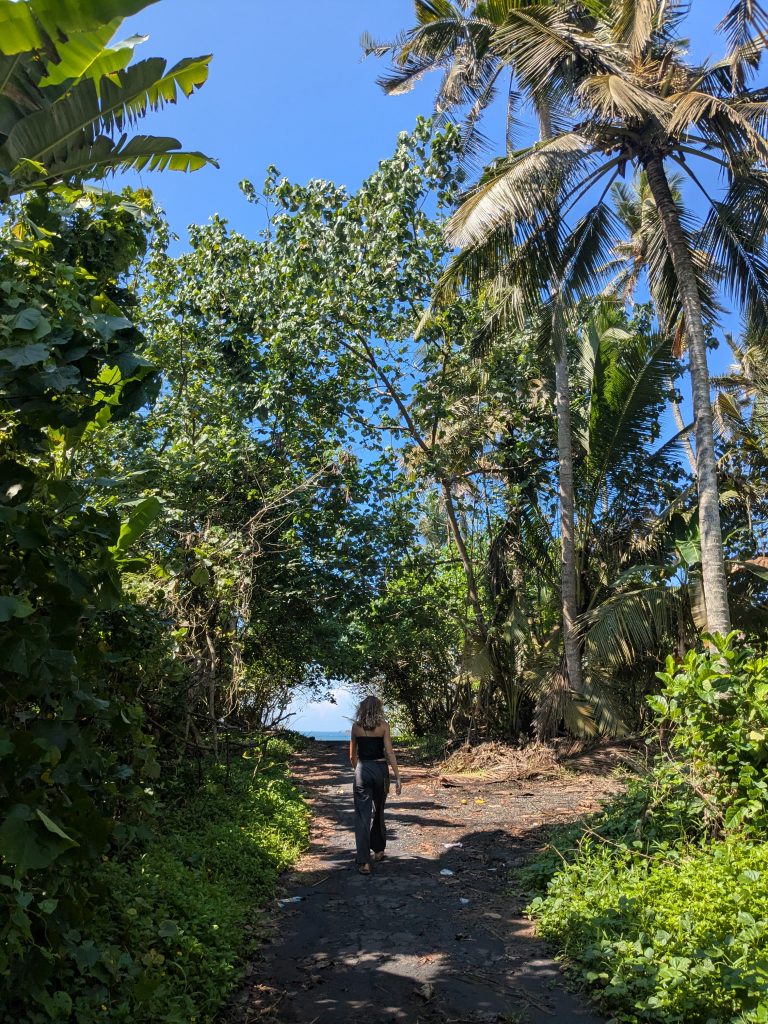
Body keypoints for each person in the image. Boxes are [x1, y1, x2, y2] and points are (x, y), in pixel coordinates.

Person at [349, 695, 402, 874]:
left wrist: (358, 770)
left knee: (362, 816)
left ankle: (364, 862)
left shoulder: (356, 727)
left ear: (361, 709)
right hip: (381, 771)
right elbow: (390, 752)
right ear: (379, 709)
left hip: (362, 771)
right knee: (379, 810)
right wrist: (398, 777)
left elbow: (352, 755)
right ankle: (378, 850)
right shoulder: (384, 726)